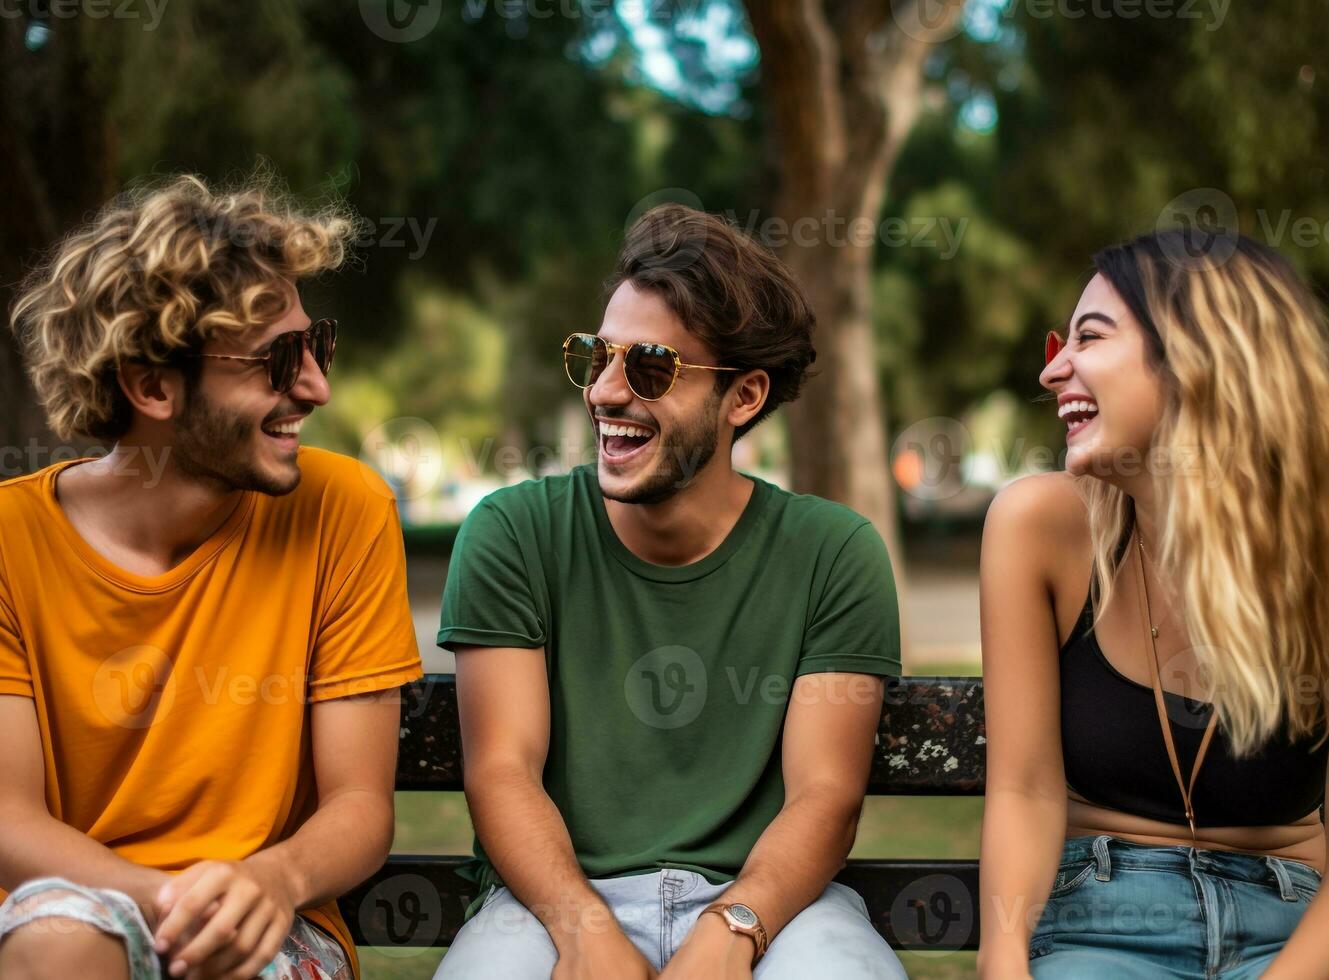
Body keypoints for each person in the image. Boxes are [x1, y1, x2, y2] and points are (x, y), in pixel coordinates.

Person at [434, 204, 905, 979]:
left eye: (649, 368)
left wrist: (732, 930)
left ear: (744, 397)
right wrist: (583, 928)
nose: (606, 393)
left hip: (769, 904)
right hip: (552, 899)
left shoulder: (832, 553)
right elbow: (502, 770)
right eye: (595, 357)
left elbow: (824, 796)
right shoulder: (512, 534)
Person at [0, 175, 423, 980]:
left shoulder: (345, 509)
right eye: (277, 360)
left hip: (275, 914)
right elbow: (8, 822)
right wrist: (176, 910)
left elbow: (360, 807)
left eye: (316, 344)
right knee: (64, 944)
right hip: (67, 910)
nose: (316, 387)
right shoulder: (8, 542)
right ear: (153, 385)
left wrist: (272, 881)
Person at [977, 230, 1329, 978]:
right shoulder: (1039, 527)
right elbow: (1023, 789)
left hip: (1295, 922)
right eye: (1056, 341)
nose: (1051, 371)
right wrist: (1001, 960)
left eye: (1087, 338)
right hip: (1101, 920)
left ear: (1197, 355)